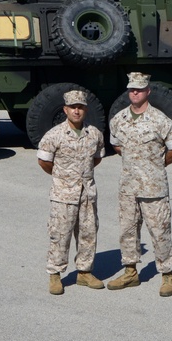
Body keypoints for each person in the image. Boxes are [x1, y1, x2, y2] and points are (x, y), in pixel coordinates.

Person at [106, 72, 172, 297]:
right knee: (127, 230)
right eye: (131, 89)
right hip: (128, 187)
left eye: (139, 89)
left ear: (148, 91)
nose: (135, 93)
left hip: (154, 188)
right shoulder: (118, 119)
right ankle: (130, 272)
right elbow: (117, 146)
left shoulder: (161, 120)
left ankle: (167, 274)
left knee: (160, 231)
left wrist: (155, 166)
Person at [37, 89, 106, 295]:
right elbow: (44, 162)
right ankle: (55, 274)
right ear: (65, 110)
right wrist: (63, 178)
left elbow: (97, 158)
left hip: (86, 193)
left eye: (81, 107)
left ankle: (84, 272)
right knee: (60, 235)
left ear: (85, 110)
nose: (77, 111)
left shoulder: (94, 133)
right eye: (73, 107)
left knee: (88, 233)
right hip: (63, 195)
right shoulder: (54, 135)